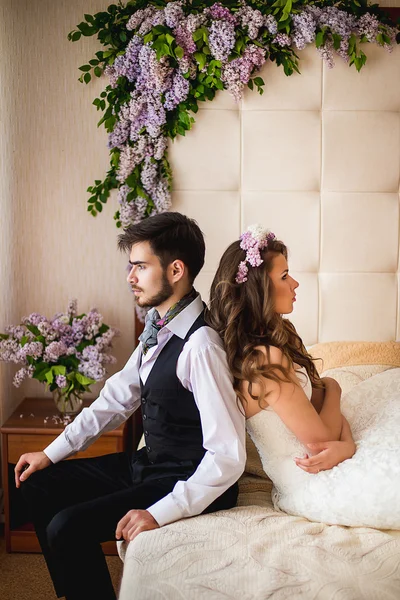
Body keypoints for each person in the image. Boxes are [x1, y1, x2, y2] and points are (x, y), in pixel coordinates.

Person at [14, 212, 246, 600]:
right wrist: (51, 454)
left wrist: (160, 512)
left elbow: (228, 456)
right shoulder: (158, 328)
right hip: (150, 466)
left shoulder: (201, 346)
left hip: (186, 479)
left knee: (65, 527)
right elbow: (113, 401)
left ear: (175, 270)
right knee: (37, 482)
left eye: (140, 266)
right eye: (131, 266)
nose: (130, 277)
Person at [206, 224, 400, 530]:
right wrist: (335, 389)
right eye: (284, 277)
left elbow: (321, 400)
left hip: (327, 457)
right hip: (309, 480)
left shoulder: (282, 334)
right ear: (259, 289)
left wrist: (345, 439)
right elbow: (322, 442)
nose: (295, 283)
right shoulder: (265, 361)